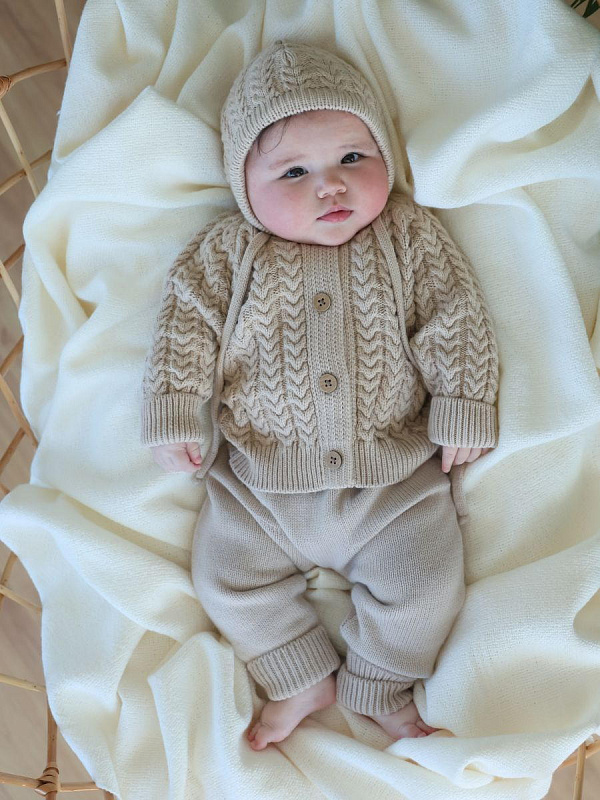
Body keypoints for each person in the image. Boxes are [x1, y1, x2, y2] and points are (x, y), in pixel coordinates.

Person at [140, 40, 499, 751]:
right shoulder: (227, 252)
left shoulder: (407, 235)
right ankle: (299, 676)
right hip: (259, 486)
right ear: (244, 188)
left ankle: (380, 683)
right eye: (295, 171)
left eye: (352, 158)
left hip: (392, 483)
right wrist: (175, 411)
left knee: (428, 587)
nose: (330, 186)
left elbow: (453, 314)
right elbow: (185, 326)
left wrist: (463, 402)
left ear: (385, 157)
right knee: (223, 578)